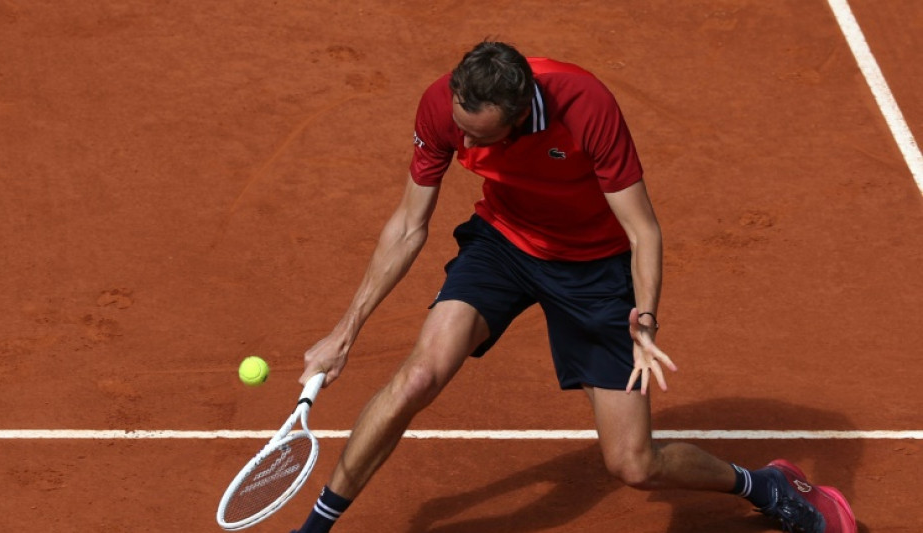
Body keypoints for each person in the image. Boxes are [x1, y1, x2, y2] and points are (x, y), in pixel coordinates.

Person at [291, 41, 856, 533]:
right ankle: (314, 528)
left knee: (633, 465)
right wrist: (346, 330)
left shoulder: (586, 106)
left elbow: (644, 231)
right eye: (458, 124)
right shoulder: (444, 102)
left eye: (474, 134)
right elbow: (408, 226)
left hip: (595, 266)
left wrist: (646, 321)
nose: (458, 137)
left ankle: (767, 487)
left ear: (517, 119)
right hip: (503, 243)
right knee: (417, 377)